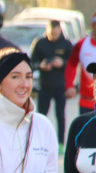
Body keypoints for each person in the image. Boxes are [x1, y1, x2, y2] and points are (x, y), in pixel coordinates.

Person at [30, 20, 73, 149]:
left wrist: (63, 63)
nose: (53, 35)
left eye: (55, 32)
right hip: (44, 85)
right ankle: (40, 142)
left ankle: (60, 143)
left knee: (60, 115)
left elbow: (73, 64)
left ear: (60, 31)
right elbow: (31, 63)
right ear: (47, 31)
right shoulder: (40, 43)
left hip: (60, 85)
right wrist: (41, 65)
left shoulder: (66, 44)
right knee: (41, 115)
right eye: (51, 33)